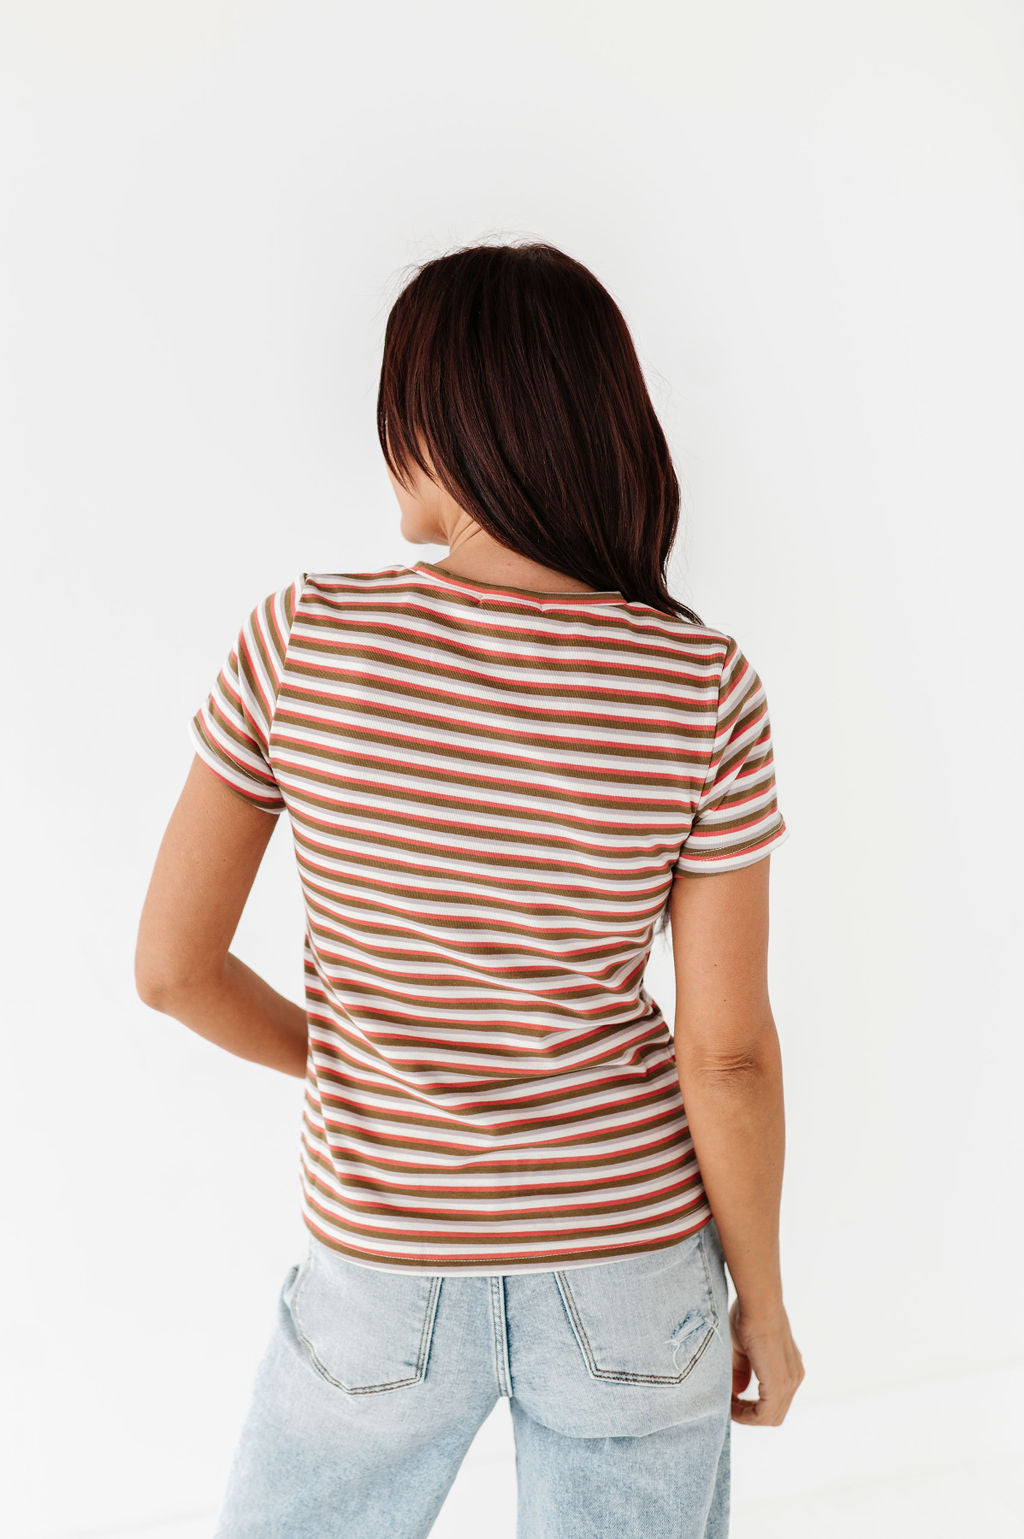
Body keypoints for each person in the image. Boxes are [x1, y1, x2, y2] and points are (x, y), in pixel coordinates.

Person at [135, 240, 804, 1538]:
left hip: (383, 1266)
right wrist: (764, 1309)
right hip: (630, 1268)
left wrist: (356, 1059)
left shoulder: (303, 639)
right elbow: (725, 1054)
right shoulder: (701, 684)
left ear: (448, 424)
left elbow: (172, 970)